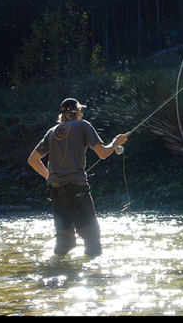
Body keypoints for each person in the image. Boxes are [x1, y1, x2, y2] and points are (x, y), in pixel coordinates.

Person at [27, 97, 130, 258]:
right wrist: (116, 141)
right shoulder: (83, 125)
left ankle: (55, 272)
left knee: (64, 242)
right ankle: (94, 277)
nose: (82, 113)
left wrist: (50, 177)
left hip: (54, 191)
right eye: (80, 110)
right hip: (77, 189)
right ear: (76, 112)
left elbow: (32, 159)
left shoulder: (52, 132)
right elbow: (102, 153)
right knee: (92, 241)